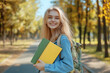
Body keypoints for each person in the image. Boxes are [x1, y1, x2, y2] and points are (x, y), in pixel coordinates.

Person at [33, 6, 74, 73]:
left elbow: (68, 65)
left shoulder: (63, 39)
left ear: (61, 21)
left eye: (57, 18)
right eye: (50, 17)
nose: (53, 20)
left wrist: (45, 67)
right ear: (46, 20)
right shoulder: (48, 39)